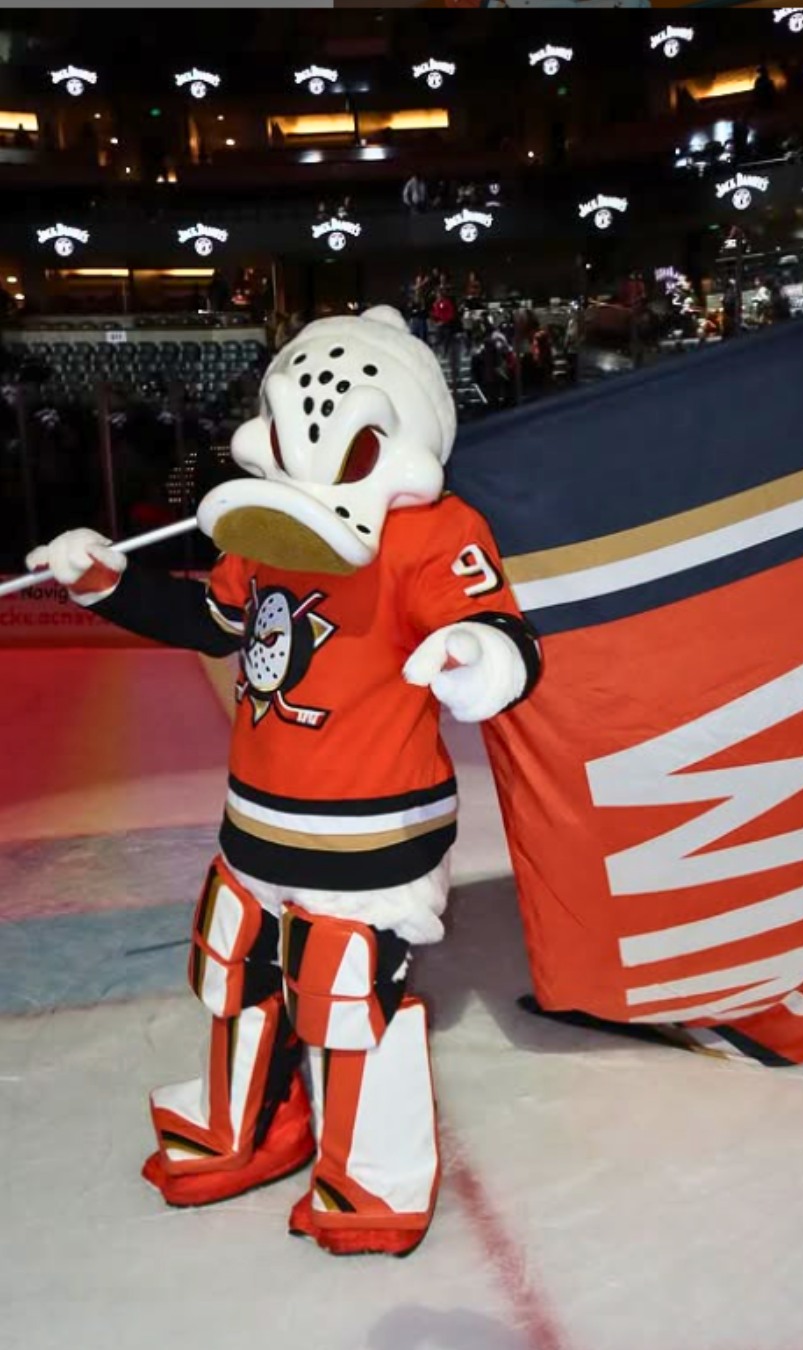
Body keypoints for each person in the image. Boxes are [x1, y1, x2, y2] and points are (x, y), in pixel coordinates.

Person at [26, 308, 541, 1257]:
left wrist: (477, 653)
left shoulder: (433, 531)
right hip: (256, 818)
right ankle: (252, 1125)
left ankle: (371, 1174)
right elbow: (220, 624)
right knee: (234, 967)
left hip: (373, 830)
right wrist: (104, 582)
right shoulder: (265, 528)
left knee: (344, 994)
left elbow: (501, 633)